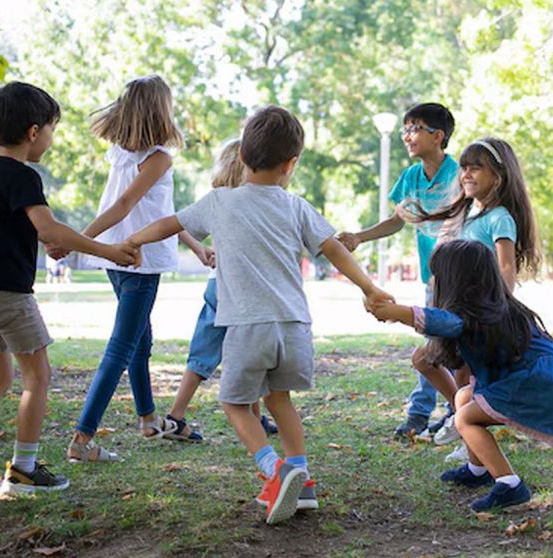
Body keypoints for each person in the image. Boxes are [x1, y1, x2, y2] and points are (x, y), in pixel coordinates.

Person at [126, 105, 392, 524]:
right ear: (291, 164)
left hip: (248, 327)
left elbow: (169, 224)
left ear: (242, 159)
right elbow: (334, 247)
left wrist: (134, 239)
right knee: (280, 400)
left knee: (233, 402)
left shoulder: (220, 202)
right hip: (294, 327)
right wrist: (370, 287)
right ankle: (302, 481)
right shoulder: (295, 206)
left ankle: (275, 469)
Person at [0, 81, 139, 499]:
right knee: (37, 377)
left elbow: (28, 233)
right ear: (33, 132)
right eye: (50, 129)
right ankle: (23, 470)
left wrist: (53, 242)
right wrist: (108, 250)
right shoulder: (23, 176)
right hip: (7, 296)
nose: (50, 137)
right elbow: (48, 228)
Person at [55, 75, 213, 463]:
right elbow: (125, 205)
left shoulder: (122, 154)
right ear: (162, 109)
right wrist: (75, 240)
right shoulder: (157, 157)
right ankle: (82, 437)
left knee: (141, 340)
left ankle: (147, 418)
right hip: (136, 259)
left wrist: (194, 245)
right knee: (123, 346)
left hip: (118, 257)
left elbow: (159, 212)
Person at [368, 239, 553, 512]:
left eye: (437, 276)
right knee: (464, 398)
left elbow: (443, 321)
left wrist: (396, 313)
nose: (433, 283)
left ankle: (510, 485)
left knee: (465, 418)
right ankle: (478, 470)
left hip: (533, 384)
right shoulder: (494, 308)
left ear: (455, 281)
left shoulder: (474, 314)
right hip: (538, 380)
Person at [406, 137, 541, 450]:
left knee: (463, 376)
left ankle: (468, 440)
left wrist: (501, 310)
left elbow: (506, 268)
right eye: (463, 168)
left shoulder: (500, 218)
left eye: (475, 168)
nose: (465, 174)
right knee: (426, 361)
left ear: (499, 175)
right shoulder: (467, 214)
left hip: (480, 316)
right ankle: (460, 417)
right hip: (457, 310)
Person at [337, 102, 459, 440]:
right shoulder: (411, 177)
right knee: (435, 344)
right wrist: (359, 237)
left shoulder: (459, 174)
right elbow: (396, 221)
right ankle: (449, 410)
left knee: (439, 346)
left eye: (415, 129)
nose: (407, 136)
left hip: (461, 279)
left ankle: (427, 412)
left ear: (438, 136)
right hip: (432, 278)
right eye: (405, 129)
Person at [162, 138, 278, 443]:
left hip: (217, 284)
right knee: (249, 348)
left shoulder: (217, 199)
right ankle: (179, 417)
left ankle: (177, 415)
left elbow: (178, 222)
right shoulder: (254, 200)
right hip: (240, 289)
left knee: (206, 351)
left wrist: (204, 249)